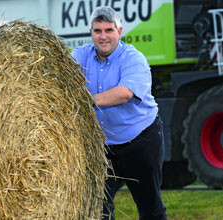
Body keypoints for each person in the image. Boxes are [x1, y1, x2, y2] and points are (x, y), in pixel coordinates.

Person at [71, 6, 167, 220]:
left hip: (141, 141)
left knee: (150, 207)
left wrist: (86, 101)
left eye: (109, 30)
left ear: (119, 31)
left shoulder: (133, 58)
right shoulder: (79, 56)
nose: (103, 36)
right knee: (97, 210)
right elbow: (61, 78)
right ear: (91, 33)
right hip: (103, 148)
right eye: (98, 31)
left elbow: (124, 93)